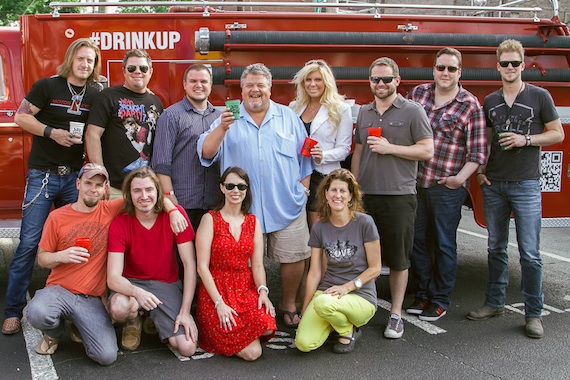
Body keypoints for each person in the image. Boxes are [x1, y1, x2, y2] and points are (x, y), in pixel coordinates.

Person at [198, 63, 313, 328]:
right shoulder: (227, 118)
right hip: (244, 210)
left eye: (260, 85)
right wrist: (221, 129)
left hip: (287, 204)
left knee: (294, 256)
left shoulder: (289, 118)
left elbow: (305, 158)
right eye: (249, 85)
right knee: (245, 264)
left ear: (270, 89)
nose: (255, 90)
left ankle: (288, 305)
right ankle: (250, 304)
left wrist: (303, 191)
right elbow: (205, 153)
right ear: (241, 89)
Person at [3, 38, 101, 335]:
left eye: (91, 61)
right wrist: (51, 132)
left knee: (75, 243)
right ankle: (13, 310)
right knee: (29, 244)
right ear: (71, 58)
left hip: (74, 179)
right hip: (43, 176)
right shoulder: (48, 86)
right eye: (82, 58)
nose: (85, 65)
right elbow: (20, 116)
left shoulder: (95, 93)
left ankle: (71, 309)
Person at [467, 39, 564, 339]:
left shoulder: (540, 96)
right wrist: (481, 171)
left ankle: (533, 314)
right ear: (497, 66)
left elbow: (557, 133)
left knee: (530, 253)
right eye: (504, 63)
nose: (510, 68)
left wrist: (527, 140)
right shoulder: (491, 100)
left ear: (523, 65)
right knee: (495, 248)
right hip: (495, 184)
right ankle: (495, 303)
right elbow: (486, 137)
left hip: (526, 184)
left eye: (515, 63)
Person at [351, 57, 433, 340]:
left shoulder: (413, 111)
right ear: (370, 81)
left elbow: (426, 151)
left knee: (398, 259)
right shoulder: (364, 112)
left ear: (398, 81)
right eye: (376, 79)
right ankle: (360, 309)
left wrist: (391, 148)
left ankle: (396, 315)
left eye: (387, 79)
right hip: (366, 195)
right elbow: (359, 152)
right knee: (361, 258)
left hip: (399, 195)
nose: (381, 84)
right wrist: (354, 188)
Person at [406, 48, 487, 321]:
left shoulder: (470, 105)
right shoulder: (418, 95)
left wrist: (458, 179)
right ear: (433, 69)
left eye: (451, 69)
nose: (445, 73)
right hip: (415, 183)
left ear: (459, 72)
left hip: (446, 188)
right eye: (441, 67)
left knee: (443, 244)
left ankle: (440, 299)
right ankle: (423, 292)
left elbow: (477, 153)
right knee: (416, 241)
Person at [25, 164, 118, 365]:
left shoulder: (110, 209)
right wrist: (61, 256)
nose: (93, 189)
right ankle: (54, 333)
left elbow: (146, 196)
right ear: (78, 184)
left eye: (99, 185)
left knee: (106, 356)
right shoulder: (57, 217)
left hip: (91, 298)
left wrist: (173, 210)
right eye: (88, 183)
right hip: (59, 290)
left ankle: (77, 325)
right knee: (36, 312)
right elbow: (42, 259)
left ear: (105, 189)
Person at [107, 166, 198, 356]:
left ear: (158, 191)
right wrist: (137, 292)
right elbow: (113, 278)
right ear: (129, 194)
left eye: (149, 190)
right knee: (119, 308)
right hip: (132, 284)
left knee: (187, 347)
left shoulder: (175, 215)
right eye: (137, 190)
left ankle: (153, 316)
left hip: (165, 284)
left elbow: (190, 266)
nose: (144, 196)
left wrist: (185, 311)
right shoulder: (120, 222)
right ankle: (134, 320)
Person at [295, 168, 381, 354]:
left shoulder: (365, 223)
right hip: (327, 294)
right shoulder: (319, 227)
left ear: (351, 196)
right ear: (325, 194)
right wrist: (304, 308)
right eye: (333, 190)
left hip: (360, 296)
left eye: (343, 191)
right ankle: (337, 320)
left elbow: (376, 268)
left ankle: (347, 330)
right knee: (303, 343)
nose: (337, 195)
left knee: (324, 304)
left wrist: (348, 287)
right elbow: (315, 272)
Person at [195, 166, 277, 360]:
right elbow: (202, 267)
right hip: (216, 290)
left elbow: (257, 265)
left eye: (241, 186)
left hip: (244, 288)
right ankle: (228, 334)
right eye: (230, 186)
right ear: (222, 188)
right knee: (253, 353)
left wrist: (263, 292)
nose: (236, 191)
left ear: (247, 190)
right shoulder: (210, 219)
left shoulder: (252, 222)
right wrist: (219, 303)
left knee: (267, 325)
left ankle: (240, 333)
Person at [151, 64, 222, 230]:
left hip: (214, 203)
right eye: (193, 81)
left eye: (204, 81)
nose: (199, 85)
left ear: (211, 84)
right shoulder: (170, 116)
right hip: (183, 203)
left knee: (208, 255)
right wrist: (170, 198)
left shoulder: (219, 118)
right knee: (182, 255)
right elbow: (161, 163)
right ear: (184, 84)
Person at [86, 49, 163, 199]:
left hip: (145, 190)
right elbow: (92, 135)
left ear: (150, 71)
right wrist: (101, 176)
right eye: (131, 68)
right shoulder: (108, 97)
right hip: (115, 188)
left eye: (143, 68)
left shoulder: (156, 102)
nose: (137, 72)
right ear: (124, 71)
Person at [290, 59, 353, 229]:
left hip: (322, 175)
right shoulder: (294, 107)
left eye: (318, 80)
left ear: (327, 82)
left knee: (318, 230)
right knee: (297, 228)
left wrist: (322, 155)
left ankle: (318, 257)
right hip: (296, 175)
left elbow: (344, 149)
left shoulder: (341, 108)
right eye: (308, 80)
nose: (312, 84)